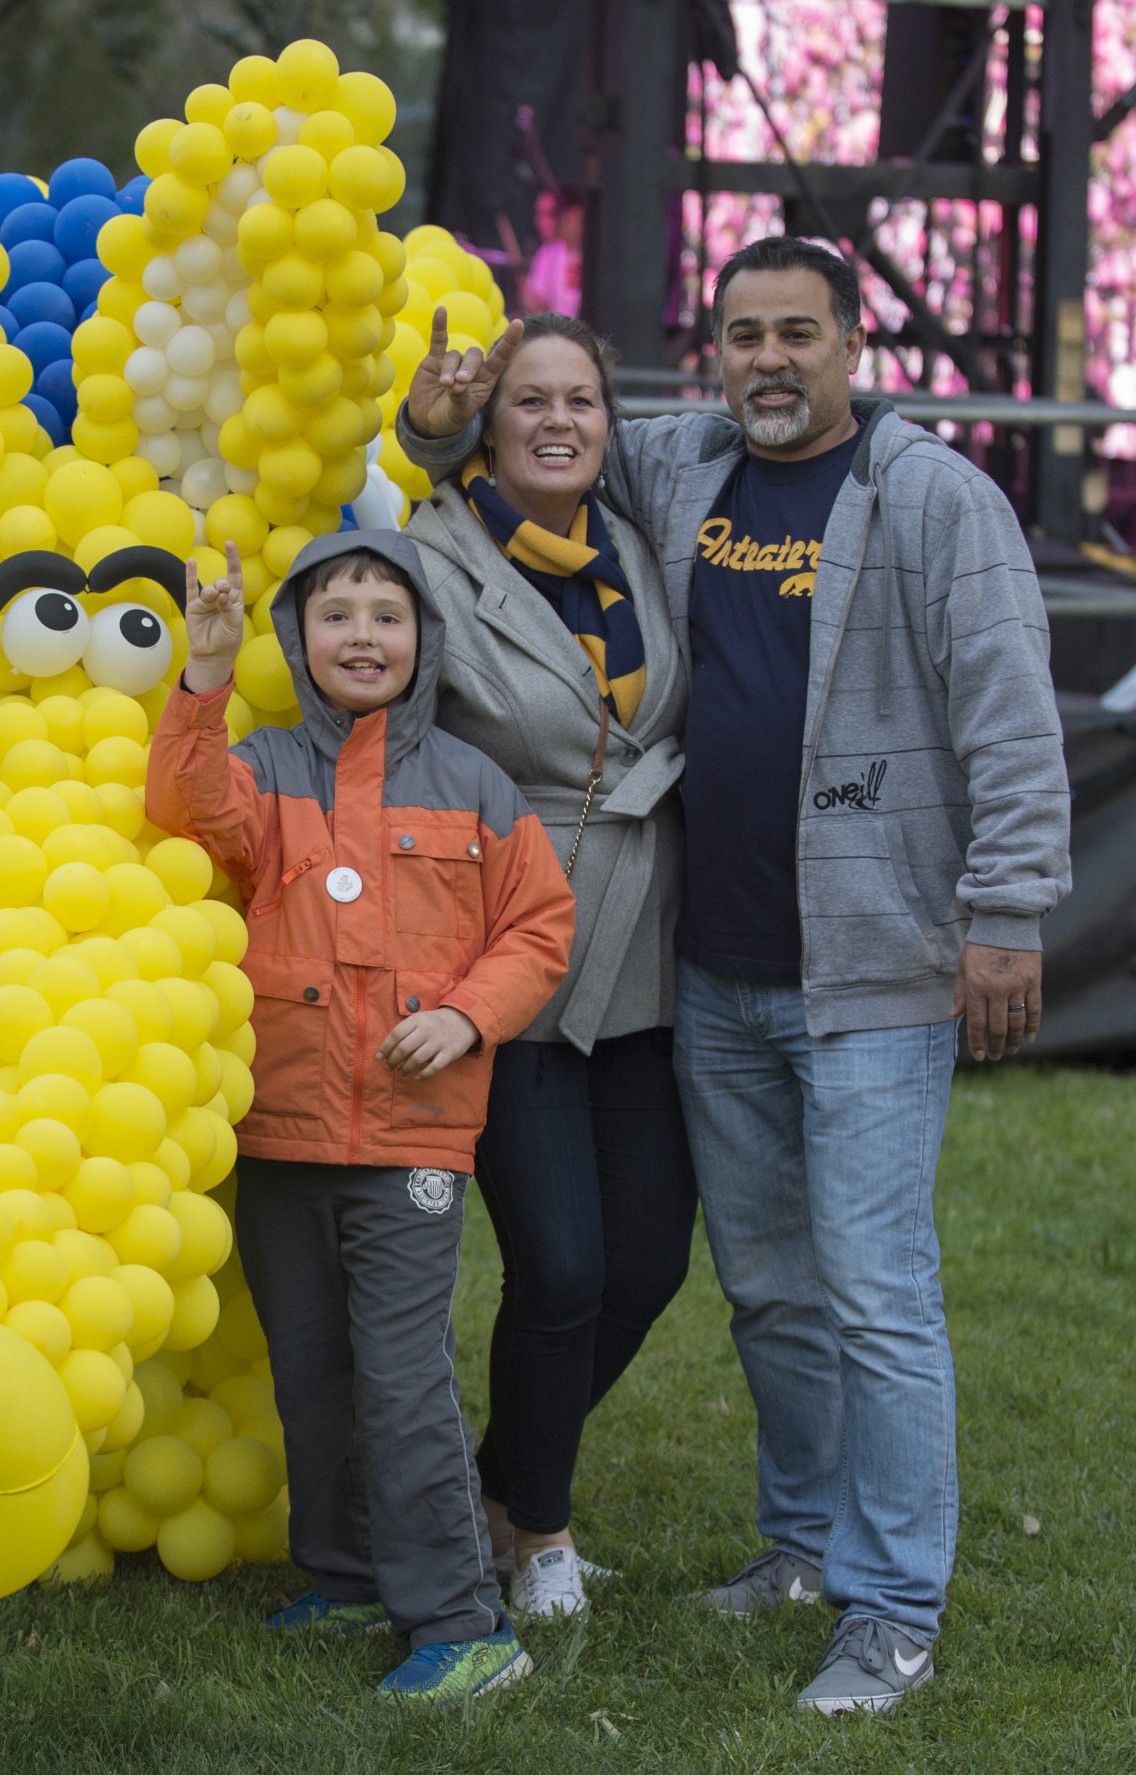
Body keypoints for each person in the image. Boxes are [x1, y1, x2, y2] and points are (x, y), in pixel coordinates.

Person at [404, 235, 1071, 1714]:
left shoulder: (938, 501)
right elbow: (531, 450)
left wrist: (1007, 910)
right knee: (767, 1284)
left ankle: (892, 1609)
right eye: (742, 334)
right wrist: (442, 420)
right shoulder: (689, 467)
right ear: (712, 356)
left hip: (877, 966)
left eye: (798, 334)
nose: (769, 359)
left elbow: (1014, 717)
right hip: (713, 963)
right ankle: (805, 1540)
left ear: (853, 346)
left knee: (879, 1292)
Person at [148, 531, 576, 1707]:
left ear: (423, 640)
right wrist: (205, 670)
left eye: (387, 615)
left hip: (409, 1138)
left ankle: (461, 1622)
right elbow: (187, 818)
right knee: (311, 1372)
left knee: (400, 1378)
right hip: (278, 1127)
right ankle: (342, 1576)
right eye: (336, 615)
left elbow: (538, 928)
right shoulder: (265, 762)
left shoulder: (475, 783)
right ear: (301, 639)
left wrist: (468, 1018)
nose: (362, 636)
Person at [392, 309, 694, 1625]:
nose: (559, 422)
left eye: (581, 400)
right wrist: (426, 428)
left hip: (646, 942)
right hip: (504, 943)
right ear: (490, 422)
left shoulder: (638, 543)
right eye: (531, 402)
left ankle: (499, 1487)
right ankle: (543, 1538)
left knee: (645, 1265)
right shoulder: (433, 551)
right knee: (560, 1262)